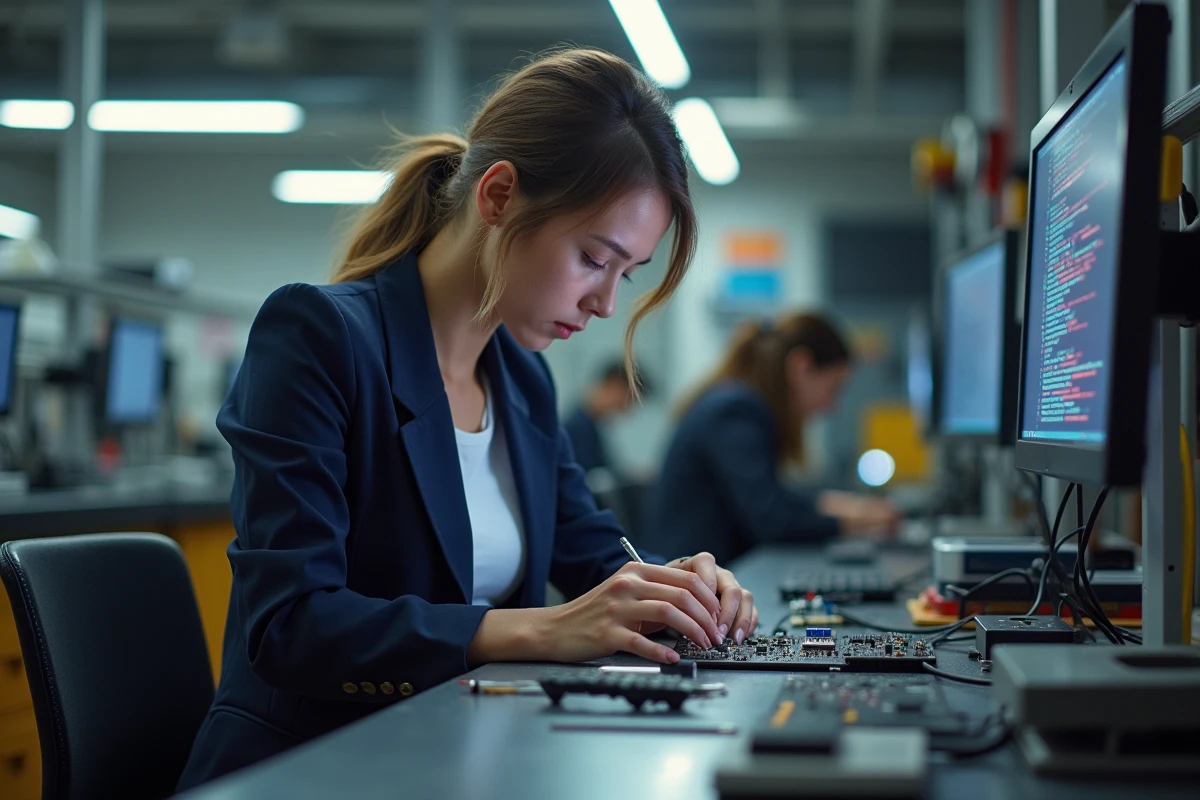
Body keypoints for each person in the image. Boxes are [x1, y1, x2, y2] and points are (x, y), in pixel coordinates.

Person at [178, 48, 758, 790]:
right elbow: (290, 627)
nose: (606, 304)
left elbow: (595, 556)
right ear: (499, 196)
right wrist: (539, 630)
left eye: (626, 275)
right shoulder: (320, 336)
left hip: (462, 757)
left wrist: (676, 590)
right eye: (592, 257)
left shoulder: (522, 380)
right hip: (314, 767)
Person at [647, 312, 900, 565]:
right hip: (690, 585)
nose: (832, 406)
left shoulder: (738, 403)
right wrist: (857, 521)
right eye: (834, 387)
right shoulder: (735, 412)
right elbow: (771, 519)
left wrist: (846, 506)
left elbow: (775, 496)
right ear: (801, 367)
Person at [562, 359, 642, 475]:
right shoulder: (578, 428)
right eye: (629, 398)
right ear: (614, 385)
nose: (627, 408)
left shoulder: (592, 425)